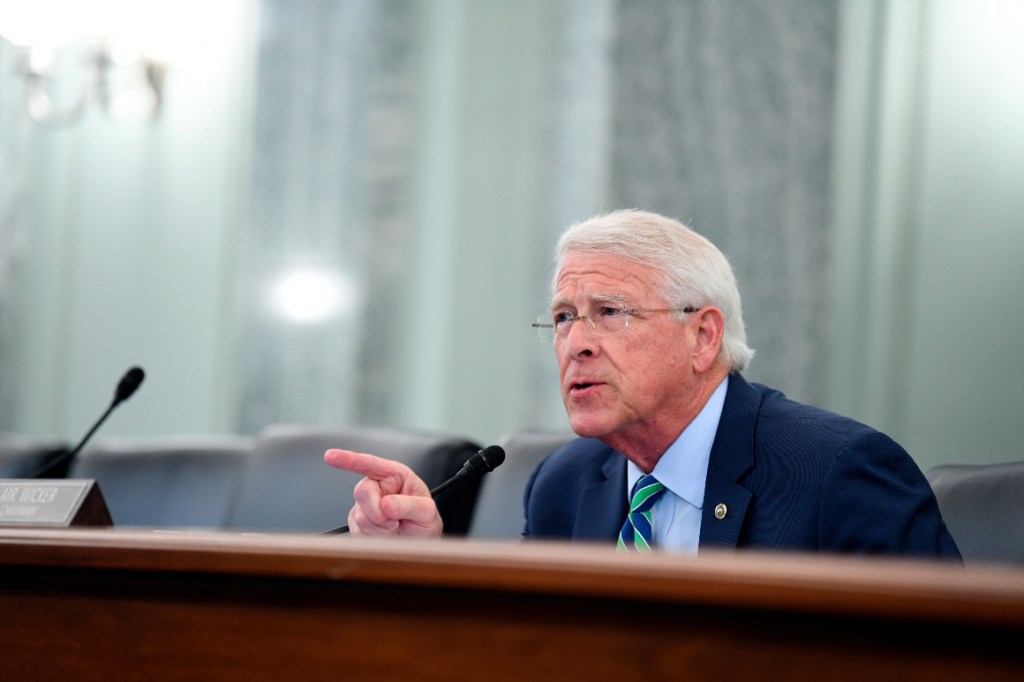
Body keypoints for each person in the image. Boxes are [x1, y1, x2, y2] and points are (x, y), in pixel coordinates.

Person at [325, 209, 960, 558]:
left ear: (703, 337)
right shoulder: (564, 483)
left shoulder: (837, 472)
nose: (577, 341)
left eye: (611, 312)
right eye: (565, 317)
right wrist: (424, 561)